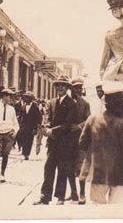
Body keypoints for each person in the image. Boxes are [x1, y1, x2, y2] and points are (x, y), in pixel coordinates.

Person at [79, 89, 123, 204]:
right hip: (119, 174)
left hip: (98, 173)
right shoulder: (122, 123)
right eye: (122, 103)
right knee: (116, 211)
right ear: (115, 105)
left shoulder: (92, 119)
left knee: (97, 211)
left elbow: (82, 143)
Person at [34, 75, 77, 205]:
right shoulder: (51, 102)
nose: (60, 87)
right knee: (48, 167)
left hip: (65, 141)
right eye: (58, 85)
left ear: (67, 88)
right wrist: (46, 127)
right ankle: (45, 196)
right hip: (52, 142)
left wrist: (53, 130)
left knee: (62, 169)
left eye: (63, 85)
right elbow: (47, 118)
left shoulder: (71, 103)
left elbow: (69, 124)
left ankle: (60, 197)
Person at [0, 89, 19, 183]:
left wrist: (15, 131)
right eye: (9, 96)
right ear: (3, 96)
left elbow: (15, 123)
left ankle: (2, 174)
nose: (11, 98)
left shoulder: (11, 109)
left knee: (5, 154)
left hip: (9, 135)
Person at [70, 77, 91, 204]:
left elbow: (88, 120)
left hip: (81, 139)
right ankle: (73, 192)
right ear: (71, 89)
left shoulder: (85, 104)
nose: (78, 90)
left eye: (80, 87)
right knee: (69, 167)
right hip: (67, 140)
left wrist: (79, 126)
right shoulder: (66, 102)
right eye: (75, 87)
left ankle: (82, 193)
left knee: (81, 167)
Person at [20, 92, 42, 160]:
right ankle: (24, 153)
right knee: (24, 140)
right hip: (24, 127)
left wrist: (36, 128)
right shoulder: (23, 107)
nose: (25, 99)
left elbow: (39, 118)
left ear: (30, 99)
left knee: (29, 140)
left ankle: (27, 154)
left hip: (32, 127)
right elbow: (21, 116)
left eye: (27, 97)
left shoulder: (35, 107)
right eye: (25, 97)